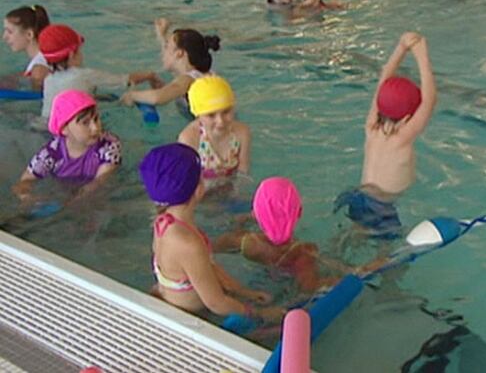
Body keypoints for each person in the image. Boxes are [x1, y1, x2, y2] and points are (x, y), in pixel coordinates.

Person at [139, 143, 281, 320]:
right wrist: (259, 314)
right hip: (187, 315)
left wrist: (245, 292)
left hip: (173, 299)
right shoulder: (188, 244)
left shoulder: (164, 221)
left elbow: (207, 267)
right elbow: (215, 303)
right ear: (199, 190)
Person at [333, 32, 437, 236]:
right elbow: (430, 100)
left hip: (358, 196)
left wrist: (401, 47)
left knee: (353, 235)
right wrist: (421, 53)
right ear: (408, 118)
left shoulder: (371, 127)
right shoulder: (402, 138)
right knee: (391, 261)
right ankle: (369, 269)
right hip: (382, 207)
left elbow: (383, 81)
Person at [214, 177, 382, 293]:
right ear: (299, 212)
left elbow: (213, 248)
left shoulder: (245, 241)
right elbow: (309, 287)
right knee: (334, 256)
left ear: (256, 213)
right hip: (287, 285)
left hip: (257, 282)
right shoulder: (303, 253)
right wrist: (349, 277)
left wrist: (242, 220)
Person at [13, 90, 121, 200]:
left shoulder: (108, 145)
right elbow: (25, 182)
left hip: (90, 190)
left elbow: (100, 182)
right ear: (64, 129)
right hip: (61, 187)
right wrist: (29, 198)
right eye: (85, 122)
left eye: (96, 119)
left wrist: (73, 203)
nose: (96, 127)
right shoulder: (51, 154)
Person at [37, 24, 160, 119]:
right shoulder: (85, 75)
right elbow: (125, 80)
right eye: (79, 50)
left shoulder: (49, 80)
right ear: (71, 55)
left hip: (45, 126)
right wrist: (149, 75)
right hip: (78, 131)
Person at [120, 18, 219, 108]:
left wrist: (132, 95)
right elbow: (171, 91)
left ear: (179, 54)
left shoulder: (187, 80)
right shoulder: (200, 73)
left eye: (167, 46)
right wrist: (161, 35)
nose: (163, 52)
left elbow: (158, 98)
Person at [177, 75, 251, 185]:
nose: (220, 121)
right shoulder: (189, 139)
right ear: (198, 115)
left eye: (226, 112)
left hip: (228, 188)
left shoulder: (242, 133)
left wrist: (237, 195)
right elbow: (187, 181)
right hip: (201, 193)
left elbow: (243, 171)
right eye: (211, 115)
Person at [3, 4, 51, 90]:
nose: (4, 37)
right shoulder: (43, 58)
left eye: (10, 32)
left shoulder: (39, 70)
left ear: (29, 34)